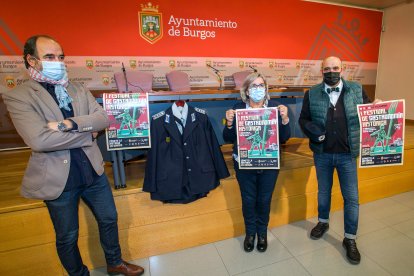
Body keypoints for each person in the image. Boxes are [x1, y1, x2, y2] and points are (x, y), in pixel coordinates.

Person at [2, 35, 144, 276]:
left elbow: (103, 119)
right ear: (31, 60)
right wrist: (88, 133)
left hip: (93, 171)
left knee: (109, 219)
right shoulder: (19, 95)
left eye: (60, 57)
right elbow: (39, 140)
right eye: (49, 57)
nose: (57, 61)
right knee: (67, 236)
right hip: (58, 179)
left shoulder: (77, 87)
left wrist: (67, 124)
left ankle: (115, 262)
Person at [299, 56, 381, 265]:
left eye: (335, 68)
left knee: (351, 198)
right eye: (327, 68)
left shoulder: (356, 89)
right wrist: (313, 131)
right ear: (322, 71)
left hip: (347, 154)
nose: (332, 72)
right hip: (322, 153)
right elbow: (304, 119)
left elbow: (369, 112)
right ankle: (323, 222)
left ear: (342, 70)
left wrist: (377, 107)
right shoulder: (312, 93)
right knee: (324, 192)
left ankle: (350, 239)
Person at [223, 73, 291, 252]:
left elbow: (285, 137)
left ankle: (262, 234)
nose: (258, 89)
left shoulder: (275, 108)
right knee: (248, 200)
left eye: (261, 85)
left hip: (268, 164)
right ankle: (250, 234)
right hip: (245, 164)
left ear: (266, 89)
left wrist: (284, 119)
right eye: (253, 86)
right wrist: (229, 123)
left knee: (264, 199)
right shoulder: (238, 108)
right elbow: (227, 138)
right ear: (246, 90)